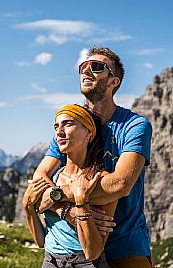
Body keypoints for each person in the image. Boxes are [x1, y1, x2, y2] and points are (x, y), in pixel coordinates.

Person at [33, 46, 154, 268]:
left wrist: (57, 196)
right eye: (83, 67)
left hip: (125, 247)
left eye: (96, 67)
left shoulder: (134, 125)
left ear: (113, 81)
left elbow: (120, 184)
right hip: (78, 246)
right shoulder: (72, 123)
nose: (86, 71)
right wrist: (69, 210)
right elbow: (40, 178)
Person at [23, 104, 117, 268]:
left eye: (67, 124)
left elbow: (93, 252)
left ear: (88, 132)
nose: (59, 132)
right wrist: (27, 207)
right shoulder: (52, 179)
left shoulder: (100, 180)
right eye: (56, 126)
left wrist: (81, 203)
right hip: (50, 260)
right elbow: (41, 241)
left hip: (86, 263)